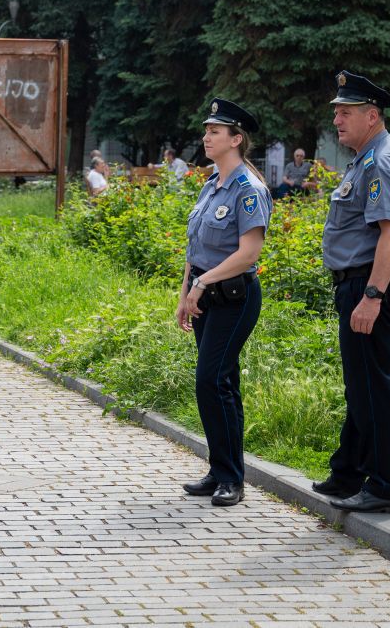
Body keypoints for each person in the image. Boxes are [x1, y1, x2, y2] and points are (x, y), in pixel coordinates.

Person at [313, 71, 390, 516]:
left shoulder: (382, 161)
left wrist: (372, 295)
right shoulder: (367, 158)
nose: (337, 119)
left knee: (371, 387)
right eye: (336, 111)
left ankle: (386, 487)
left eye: (347, 112)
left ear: (372, 115)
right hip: (360, 281)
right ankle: (350, 470)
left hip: (369, 283)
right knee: (361, 381)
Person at [177, 99, 272, 508]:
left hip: (235, 297)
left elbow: (249, 253)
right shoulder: (210, 184)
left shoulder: (249, 190)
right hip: (205, 296)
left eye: (214, 131)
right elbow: (195, 248)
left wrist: (202, 283)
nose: (206, 136)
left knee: (211, 380)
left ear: (236, 139)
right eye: (206, 130)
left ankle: (232, 478)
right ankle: (220, 470)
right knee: (220, 383)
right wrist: (185, 292)